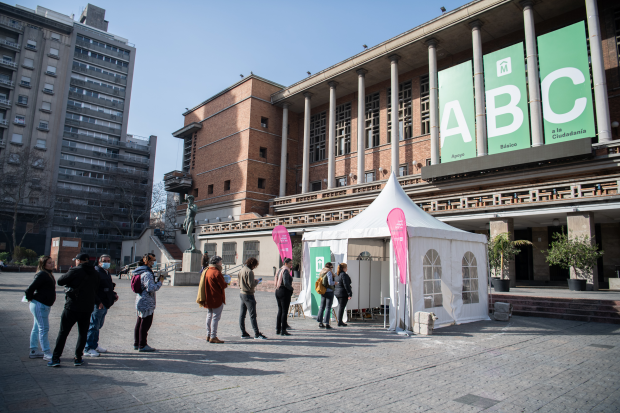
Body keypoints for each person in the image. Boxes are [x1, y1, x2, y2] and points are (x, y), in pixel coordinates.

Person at [48, 253, 100, 367]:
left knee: (63, 332)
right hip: (87, 308)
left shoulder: (75, 271)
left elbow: (60, 281)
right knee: (82, 333)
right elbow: (96, 288)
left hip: (72, 306)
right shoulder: (95, 273)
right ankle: (78, 357)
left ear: (79, 261)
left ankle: (56, 358)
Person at [84, 254, 118, 357]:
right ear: (99, 262)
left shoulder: (106, 272)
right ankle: (88, 347)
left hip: (105, 303)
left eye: (108, 261)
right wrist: (98, 302)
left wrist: (113, 295)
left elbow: (108, 286)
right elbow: (93, 290)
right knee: (93, 325)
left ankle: (94, 345)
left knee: (98, 325)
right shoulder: (97, 272)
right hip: (99, 304)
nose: (107, 263)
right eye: (104, 261)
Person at [25, 256, 56, 361]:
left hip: (43, 305)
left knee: (37, 328)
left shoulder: (48, 274)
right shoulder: (42, 274)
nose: (52, 264)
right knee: (44, 328)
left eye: (52, 262)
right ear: (43, 265)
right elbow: (30, 289)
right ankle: (46, 352)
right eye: (49, 263)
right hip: (39, 304)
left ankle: (33, 351)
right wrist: (31, 298)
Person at [134, 253, 163, 352]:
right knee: (145, 324)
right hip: (146, 302)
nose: (154, 262)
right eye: (152, 261)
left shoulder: (139, 271)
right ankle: (142, 344)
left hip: (140, 299)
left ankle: (136, 343)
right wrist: (160, 282)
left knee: (139, 322)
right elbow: (151, 288)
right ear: (147, 262)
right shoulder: (147, 273)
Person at [197, 256, 228, 343]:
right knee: (215, 317)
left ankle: (208, 334)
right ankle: (213, 336)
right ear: (217, 263)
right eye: (221, 262)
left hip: (208, 297)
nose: (221, 264)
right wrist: (227, 282)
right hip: (216, 297)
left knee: (209, 316)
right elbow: (223, 285)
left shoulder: (206, 270)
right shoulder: (216, 272)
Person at [238, 257, 267, 340]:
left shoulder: (242, 270)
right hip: (249, 294)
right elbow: (251, 284)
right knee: (252, 315)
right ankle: (257, 333)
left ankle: (243, 332)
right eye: (255, 265)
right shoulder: (250, 272)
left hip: (242, 293)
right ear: (253, 264)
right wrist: (256, 282)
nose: (255, 267)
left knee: (242, 314)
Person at [275, 258, 294, 336]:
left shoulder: (280, 270)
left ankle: (278, 329)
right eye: (290, 263)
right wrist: (291, 289)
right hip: (284, 292)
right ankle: (283, 330)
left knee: (280, 310)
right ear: (285, 263)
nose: (291, 265)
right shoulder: (285, 271)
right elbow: (286, 283)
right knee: (284, 311)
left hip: (278, 290)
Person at [316, 262, 336, 329]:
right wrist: (335, 283)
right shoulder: (329, 272)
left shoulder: (322, 272)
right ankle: (327, 324)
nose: (332, 269)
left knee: (322, 307)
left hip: (323, 291)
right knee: (328, 307)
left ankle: (320, 323)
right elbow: (330, 283)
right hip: (329, 292)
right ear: (330, 267)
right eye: (332, 267)